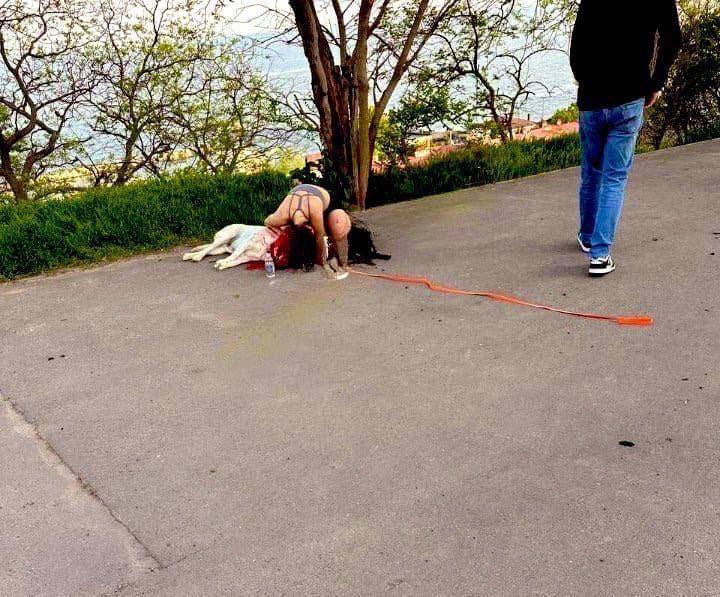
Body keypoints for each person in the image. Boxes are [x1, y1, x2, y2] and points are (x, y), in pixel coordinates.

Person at [570, 0, 682, 276]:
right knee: (614, 177)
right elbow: (672, 38)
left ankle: (587, 236)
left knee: (591, 172)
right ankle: (599, 254)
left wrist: (584, 81)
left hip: (591, 99)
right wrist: (656, 83)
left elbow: (578, 44)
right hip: (629, 98)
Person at [264, 181, 352, 279]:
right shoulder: (281, 216)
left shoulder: (313, 209)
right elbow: (267, 222)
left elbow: (320, 237)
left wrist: (322, 262)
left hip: (322, 197)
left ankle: (344, 263)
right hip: (296, 197)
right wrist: (283, 232)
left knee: (338, 224)